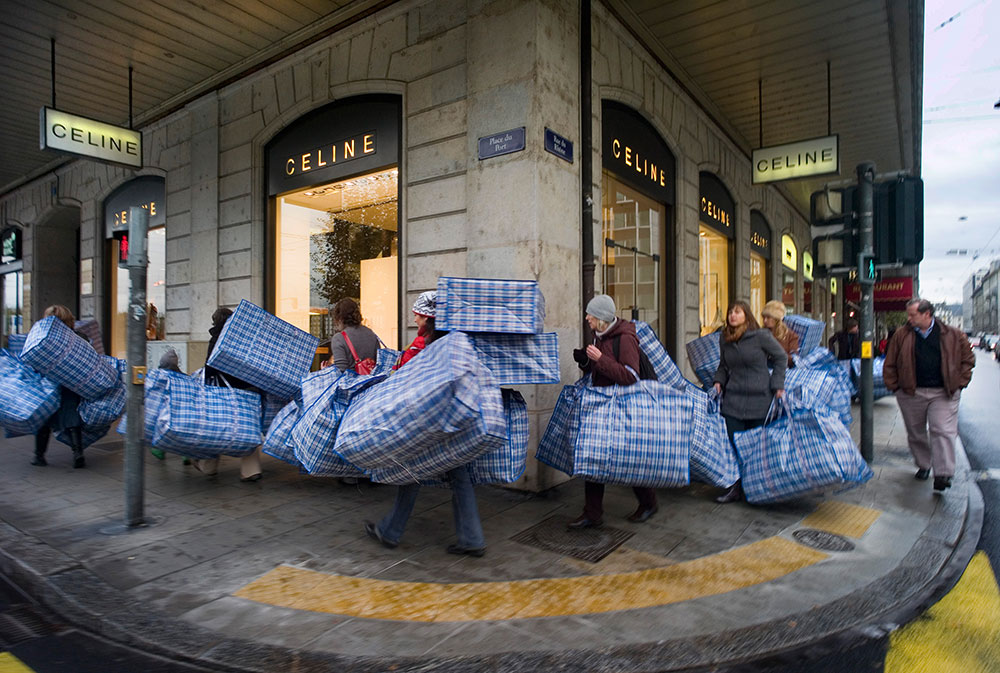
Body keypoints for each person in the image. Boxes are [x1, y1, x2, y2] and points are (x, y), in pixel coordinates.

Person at [364, 293, 488, 557]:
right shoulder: (455, 340)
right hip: (453, 418)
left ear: (429, 318)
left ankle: (390, 531)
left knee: (411, 473)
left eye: (419, 314)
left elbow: (404, 377)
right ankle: (472, 538)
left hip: (429, 421)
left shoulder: (424, 344)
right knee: (459, 477)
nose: (414, 317)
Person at [567, 294, 659, 528]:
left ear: (603, 318)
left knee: (629, 458)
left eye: (591, 315)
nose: (587, 318)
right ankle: (592, 513)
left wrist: (599, 360)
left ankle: (648, 502)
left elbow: (631, 376)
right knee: (594, 457)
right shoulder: (600, 335)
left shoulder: (625, 338)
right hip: (602, 406)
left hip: (623, 408)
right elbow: (599, 370)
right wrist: (585, 361)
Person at [883, 298, 974, 492]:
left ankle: (943, 473)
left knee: (942, 430)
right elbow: (890, 361)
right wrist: (894, 387)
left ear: (927, 314)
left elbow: (968, 360)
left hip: (943, 392)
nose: (909, 319)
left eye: (912, 315)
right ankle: (924, 465)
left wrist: (960, 383)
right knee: (916, 432)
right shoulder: (902, 335)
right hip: (910, 392)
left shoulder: (953, 334)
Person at [713, 300, 787, 503]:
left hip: (759, 400)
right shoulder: (724, 338)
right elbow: (722, 365)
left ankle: (756, 488)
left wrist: (777, 385)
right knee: (734, 446)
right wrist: (718, 382)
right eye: (730, 312)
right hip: (733, 401)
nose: (732, 316)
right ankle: (735, 488)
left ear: (747, 315)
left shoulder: (760, 336)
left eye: (737, 312)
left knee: (756, 448)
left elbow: (781, 357)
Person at [191, 308, 262, 482]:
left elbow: (210, 367)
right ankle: (251, 470)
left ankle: (209, 467)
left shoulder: (216, 338)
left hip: (224, 392)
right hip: (248, 389)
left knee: (218, 428)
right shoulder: (243, 337)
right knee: (248, 428)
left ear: (215, 322)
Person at [31, 305, 91, 469]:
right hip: (70, 384)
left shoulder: (42, 338)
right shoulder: (79, 337)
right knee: (72, 417)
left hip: (47, 385)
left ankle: (39, 455)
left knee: (44, 419)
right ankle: (78, 454)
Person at [327, 298, 380, 372]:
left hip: (352, 382)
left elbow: (340, 371)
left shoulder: (339, 338)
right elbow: (378, 362)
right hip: (373, 381)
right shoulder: (371, 334)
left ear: (339, 318)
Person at [395, 291, 437, 369]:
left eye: (416, 315)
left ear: (425, 317)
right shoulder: (444, 340)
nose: (415, 320)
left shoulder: (420, 343)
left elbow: (405, 369)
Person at [761, 300, 799, 368]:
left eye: (768, 317)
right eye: (763, 317)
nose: (765, 320)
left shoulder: (791, 336)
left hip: (782, 372)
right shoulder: (759, 333)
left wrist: (774, 354)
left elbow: (793, 359)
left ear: (777, 318)